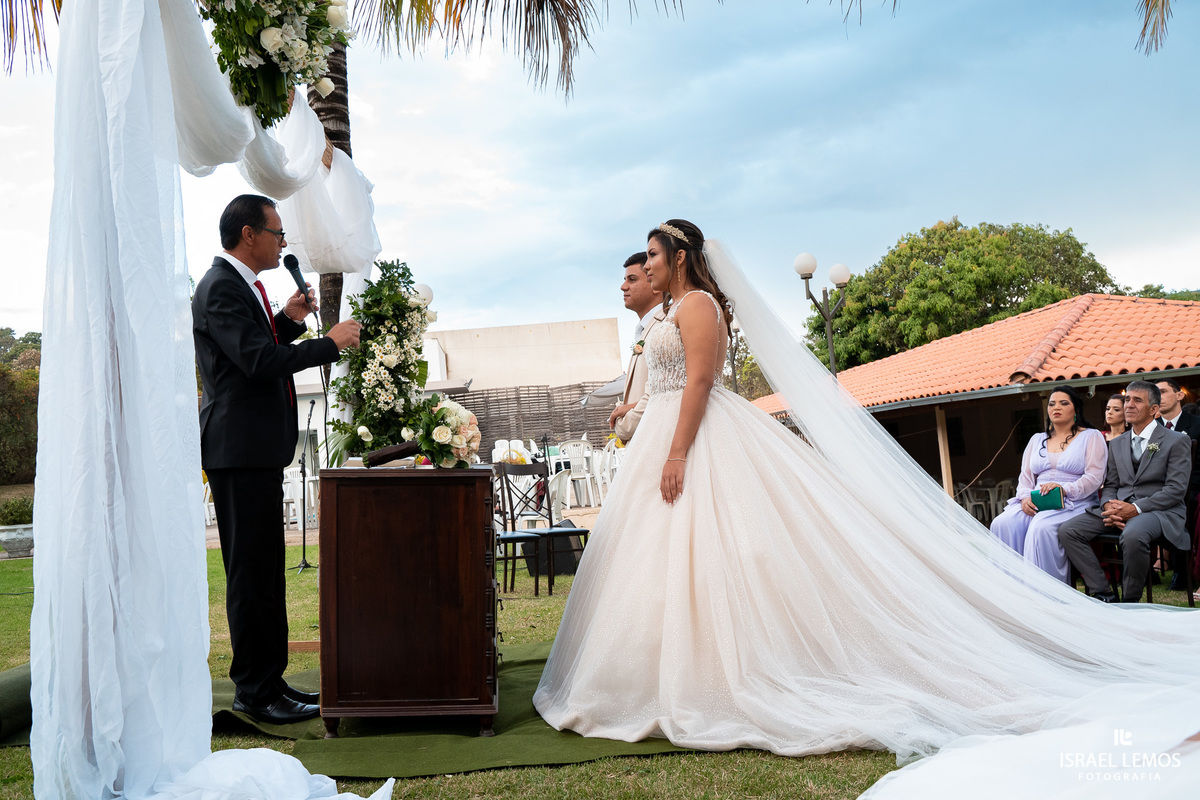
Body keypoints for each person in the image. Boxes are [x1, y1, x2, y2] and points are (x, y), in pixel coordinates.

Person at [533, 220, 1200, 765]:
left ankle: (725, 673)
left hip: (698, 438)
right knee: (665, 563)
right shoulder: (673, 310)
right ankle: (656, 673)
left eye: (653, 254)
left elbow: (702, 384)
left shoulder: (700, 305)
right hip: (665, 435)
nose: (646, 265)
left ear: (680, 255)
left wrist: (676, 451)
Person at [193, 194, 361, 724]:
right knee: (250, 575)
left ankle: (272, 681)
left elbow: (255, 350)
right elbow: (257, 362)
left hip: (254, 449)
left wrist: (288, 321)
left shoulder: (243, 286)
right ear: (249, 234)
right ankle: (254, 692)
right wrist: (328, 343)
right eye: (278, 233)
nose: (283, 243)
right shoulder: (220, 287)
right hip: (237, 451)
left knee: (266, 573)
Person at [1058, 380, 1192, 603]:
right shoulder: (1117, 443)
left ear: (1154, 409)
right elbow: (1111, 484)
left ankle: (1130, 604)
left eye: (1137, 400)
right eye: (1127, 399)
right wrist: (1109, 504)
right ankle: (1104, 593)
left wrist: (1136, 508)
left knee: (1132, 534)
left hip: (1160, 512)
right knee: (1068, 530)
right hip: (1119, 508)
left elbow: (1176, 490)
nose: (1129, 404)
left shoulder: (1177, 440)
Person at [988, 386, 1106, 582]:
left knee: (1040, 527)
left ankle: (1047, 593)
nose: (1056, 407)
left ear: (1075, 409)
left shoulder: (1091, 436)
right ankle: (1009, 590)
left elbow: (1095, 477)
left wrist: (1064, 490)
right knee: (1002, 523)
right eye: (1052, 404)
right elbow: (1025, 477)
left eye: (1063, 403)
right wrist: (1025, 498)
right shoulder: (1036, 439)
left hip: (1075, 501)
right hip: (1037, 501)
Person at [609, 252, 664, 443]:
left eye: (632, 280)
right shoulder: (643, 329)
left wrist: (623, 425)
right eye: (625, 280)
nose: (623, 286)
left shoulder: (665, 328)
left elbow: (662, 394)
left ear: (655, 284)